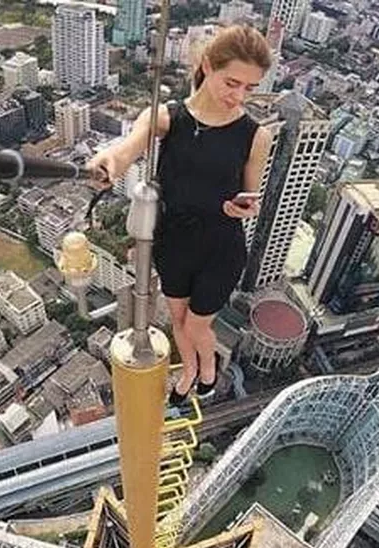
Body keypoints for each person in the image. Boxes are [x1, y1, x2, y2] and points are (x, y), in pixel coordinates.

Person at [87, 24, 272, 403]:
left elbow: (252, 198)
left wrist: (245, 208)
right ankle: (188, 373)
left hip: (221, 246)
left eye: (249, 88)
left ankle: (208, 369)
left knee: (197, 324)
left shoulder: (257, 136)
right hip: (173, 243)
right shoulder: (168, 118)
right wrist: (111, 163)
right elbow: (127, 148)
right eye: (232, 83)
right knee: (177, 322)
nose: (238, 97)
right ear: (207, 65)